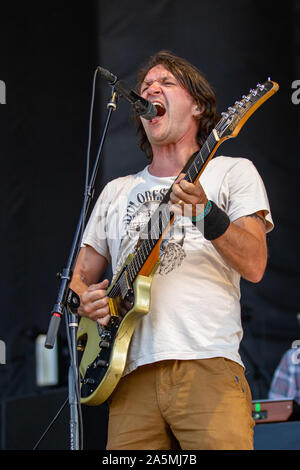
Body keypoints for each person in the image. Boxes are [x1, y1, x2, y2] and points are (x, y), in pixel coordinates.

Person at [70, 50, 274, 450]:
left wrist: (204, 213)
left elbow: (255, 264)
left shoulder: (232, 171)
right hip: (127, 374)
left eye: (165, 83)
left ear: (197, 104)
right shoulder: (116, 191)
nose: (149, 89)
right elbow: (78, 280)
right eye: (145, 86)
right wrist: (85, 301)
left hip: (207, 364)